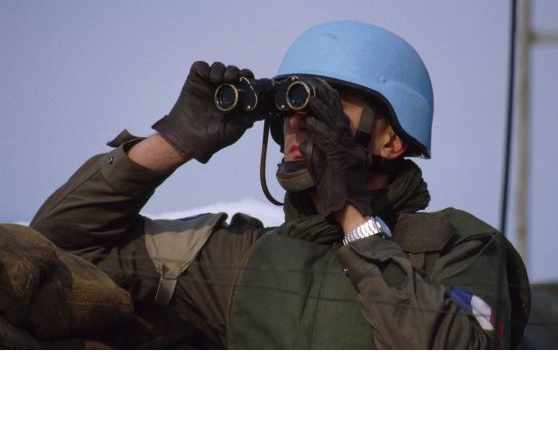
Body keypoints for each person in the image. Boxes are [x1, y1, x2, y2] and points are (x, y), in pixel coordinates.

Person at [31, 21, 530, 349]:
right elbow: (55, 248)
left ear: (392, 140)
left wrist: (354, 218)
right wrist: (173, 142)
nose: (299, 123)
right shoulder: (244, 256)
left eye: (329, 106)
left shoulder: (461, 246)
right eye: (292, 104)